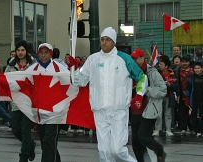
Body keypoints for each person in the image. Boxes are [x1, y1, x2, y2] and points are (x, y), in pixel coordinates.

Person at [67, 27, 147, 162]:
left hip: (119, 111)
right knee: (104, 152)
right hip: (100, 111)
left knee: (117, 150)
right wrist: (73, 69)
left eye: (108, 40)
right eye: (102, 39)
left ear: (114, 42)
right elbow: (80, 81)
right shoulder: (93, 59)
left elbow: (142, 78)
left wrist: (139, 95)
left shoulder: (124, 59)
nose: (104, 42)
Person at [26, 43, 68, 162]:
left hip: (55, 112)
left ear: (51, 54)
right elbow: (21, 81)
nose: (43, 55)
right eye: (41, 52)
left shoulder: (59, 68)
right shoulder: (33, 68)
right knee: (46, 140)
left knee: (49, 140)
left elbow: (71, 82)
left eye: (46, 52)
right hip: (40, 112)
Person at [130, 49, 167, 162]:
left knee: (143, 136)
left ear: (143, 58)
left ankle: (160, 151)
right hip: (134, 109)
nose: (134, 60)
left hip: (149, 109)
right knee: (135, 140)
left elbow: (163, 90)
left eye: (136, 58)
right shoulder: (130, 71)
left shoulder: (152, 72)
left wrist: (146, 90)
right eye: (132, 58)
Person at [5, 40, 36, 162]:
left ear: (26, 51)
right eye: (18, 50)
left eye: (22, 50)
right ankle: (31, 145)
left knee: (25, 131)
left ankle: (23, 157)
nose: (20, 52)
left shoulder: (33, 64)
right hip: (16, 103)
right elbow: (6, 80)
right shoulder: (11, 66)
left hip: (29, 103)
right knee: (16, 130)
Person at [152, 55, 175, 137]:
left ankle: (168, 129)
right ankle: (157, 129)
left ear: (166, 66)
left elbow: (176, 85)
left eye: (162, 64)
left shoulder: (172, 73)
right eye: (159, 64)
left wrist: (170, 85)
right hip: (159, 96)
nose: (160, 66)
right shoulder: (157, 73)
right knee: (158, 113)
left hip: (168, 95)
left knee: (168, 113)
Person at [174, 56, 194, 135]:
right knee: (182, 112)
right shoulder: (177, 71)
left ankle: (193, 128)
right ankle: (183, 128)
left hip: (191, 95)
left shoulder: (193, 71)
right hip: (181, 94)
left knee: (192, 112)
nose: (185, 63)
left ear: (189, 62)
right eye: (183, 61)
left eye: (186, 62)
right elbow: (176, 83)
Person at [186, 62, 203, 137]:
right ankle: (197, 131)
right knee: (194, 115)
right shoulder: (191, 77)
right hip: (194, 99)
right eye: (195, 68)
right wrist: (187, 97)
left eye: (198, 68)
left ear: (202, 69)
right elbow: (188, 88)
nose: (197, 70)